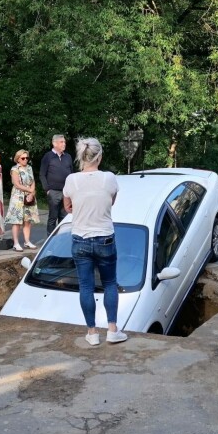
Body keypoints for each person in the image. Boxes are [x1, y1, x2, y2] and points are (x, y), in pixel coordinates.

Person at [63, 137, 127, 346]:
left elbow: (67, 206)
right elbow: (112, 201)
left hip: (80, 239)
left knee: (86, 286)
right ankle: (112, 330)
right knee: (109, 283)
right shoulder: (109, 178)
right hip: (105, 239)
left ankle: (92, 333)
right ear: (99, 157)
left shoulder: (71, 180)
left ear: (81, 157)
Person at [4, 149, 39, 251]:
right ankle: (16, 243)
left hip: (29, 196)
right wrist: (29, 190)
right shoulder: (15, 169)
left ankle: (27, 241)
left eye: (27, 158)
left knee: (28, 220)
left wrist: (32, 193)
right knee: (17, 221)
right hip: (18, 197)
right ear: (18, 159)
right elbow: (16, 184)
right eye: (23, 158)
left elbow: (32, 181)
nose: (25, 160)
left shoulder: (29, 168)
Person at [40, 134, 73, 235]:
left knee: (64, 217)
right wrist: (47, 190)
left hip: (66, 192)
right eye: (61, 142)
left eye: (64, 142)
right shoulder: (48, 156)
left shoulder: (68, 157)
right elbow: (42, 174)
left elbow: (72, 173)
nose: (64, 144)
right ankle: (51, 241)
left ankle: (62, 239)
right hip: (53, 192)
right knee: (53, 217)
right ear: (54, 143)